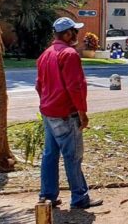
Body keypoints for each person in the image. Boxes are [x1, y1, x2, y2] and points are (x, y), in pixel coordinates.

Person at [35, 17, 102, 209]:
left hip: (48, 112)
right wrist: (82, 113)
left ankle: (47, 195)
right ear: (66, 34)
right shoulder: (69, 54)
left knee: (50, 154)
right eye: (74, 31)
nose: (76, 35)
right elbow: (75, 87)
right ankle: (79, 197)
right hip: (66, 113)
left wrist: (47, 103)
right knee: (72, 156)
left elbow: (39, 85)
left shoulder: (45, 54)